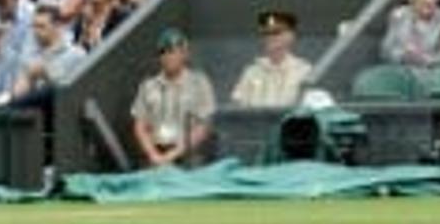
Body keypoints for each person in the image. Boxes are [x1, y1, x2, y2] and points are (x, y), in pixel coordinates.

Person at [131, 27, 216, 168]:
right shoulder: (148, 86)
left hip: (189, 157)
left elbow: (203, 127)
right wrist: (153, 154)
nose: (167, 57)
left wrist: (172, 155)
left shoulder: (199, 83)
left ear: (184, 54)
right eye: (162, 52)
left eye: (172, 51)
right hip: (155, 154)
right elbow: (139, 126)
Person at [230, 9, 313, 108]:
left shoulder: (304, 71)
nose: (270, 37)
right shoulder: (251, 72)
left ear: (290, 36)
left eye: (275, 32)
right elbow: (237, 107)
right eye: (266, 33)